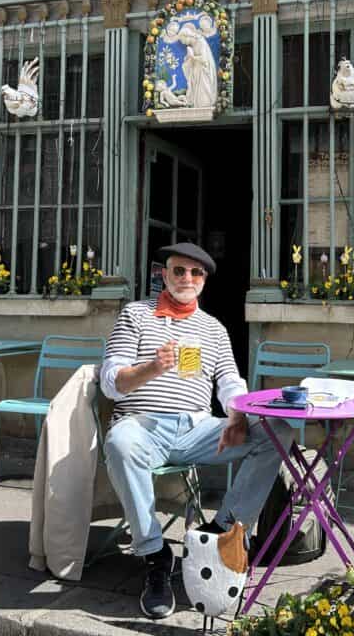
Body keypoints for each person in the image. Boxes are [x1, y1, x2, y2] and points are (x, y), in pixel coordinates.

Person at [101, 242, 290, 619]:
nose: (187, 278)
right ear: (164, 274)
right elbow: (110, 382)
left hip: (197, 426)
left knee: (276, 430)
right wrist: (151, 369)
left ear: (204, 280)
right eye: (178, 271)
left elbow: (229, 381)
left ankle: (221, 531)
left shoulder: (214, 328)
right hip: (143, 425)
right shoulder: (135, 315)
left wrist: (237, 415)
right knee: (120, 441)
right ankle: (155, 555)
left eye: (196, 272)